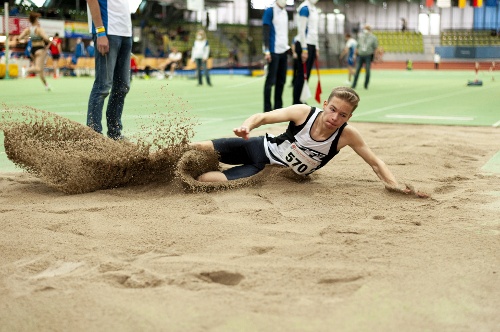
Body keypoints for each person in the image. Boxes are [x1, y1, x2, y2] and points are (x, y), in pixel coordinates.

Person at [189, 86, 428, 198]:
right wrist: (246, 126)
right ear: (325, 104)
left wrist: (393, 185)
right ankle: (157, 162)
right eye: (332, 109)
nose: (335, 118)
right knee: (197, 148)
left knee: (203, 180)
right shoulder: (303, 112)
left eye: (342, 115)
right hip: (256, 146)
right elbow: (264, 117)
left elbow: (375, 163)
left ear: (349, 117)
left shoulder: (347, 135)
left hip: (262, 170)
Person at [86, 0, 132, 141]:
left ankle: (114, 133)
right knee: (103, 86)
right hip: (108, 31)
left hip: (126, 32)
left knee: (122, 86)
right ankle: (94, 136)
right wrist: (100, 31)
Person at [262, 0, 289, 112]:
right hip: (273, 51)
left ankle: (278, 107)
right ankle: (267, 108)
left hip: (284, 50)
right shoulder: (270, 11)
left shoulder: (285, 12)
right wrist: (266, 50)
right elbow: (265, 31)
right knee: (270, 81)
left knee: (281, 80)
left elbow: (284, 33)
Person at [293, 0, 320, 105]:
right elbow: (301, 30)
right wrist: (304, 49)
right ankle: (296, 102)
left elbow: (315, 30)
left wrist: (316, 47)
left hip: (312, 44)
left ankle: (302, 99)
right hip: (305, 44)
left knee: (307, 75)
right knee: (301, 75)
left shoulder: (314, 9)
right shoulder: (304, 9)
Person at [18, 12, 51, 91]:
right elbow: (46, 38)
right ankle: (26, 70)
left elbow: (19, 38)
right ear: (36, 20)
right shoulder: (39, 29)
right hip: (40, 49)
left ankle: (46, 85)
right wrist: (50, 40)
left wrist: (26, 39)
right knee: (39, 68)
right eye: (38, 19)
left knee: (41, 70)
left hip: (33, 50)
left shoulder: (28, 30)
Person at [351, 25, 378, 90]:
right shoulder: (361, 37)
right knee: (357, 70)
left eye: (367, 29)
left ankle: (366, 85)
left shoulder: (373, 38)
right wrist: (354, 55)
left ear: (370, 30)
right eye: (365, 28)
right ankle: (354, 84)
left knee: (367, 71)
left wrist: (376, 57)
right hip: (360, 55)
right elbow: (357, 46)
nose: (365, 30)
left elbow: (375, 48)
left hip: (368, 56)